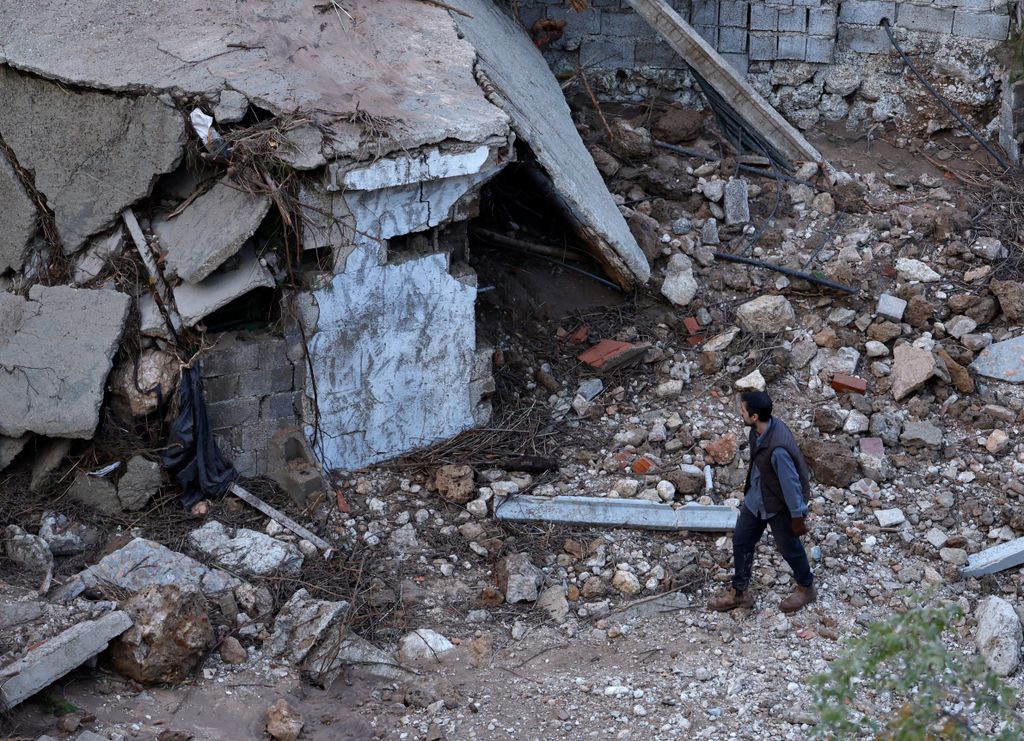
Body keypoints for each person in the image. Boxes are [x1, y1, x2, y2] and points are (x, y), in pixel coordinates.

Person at [708, 391, 816, 613]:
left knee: (789, 548)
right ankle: (740, 593)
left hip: (778, 505)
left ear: (755, 416)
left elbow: (791, 484)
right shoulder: (758, 432)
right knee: (741, 541)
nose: (741, 412)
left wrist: (797, 515)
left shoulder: (778, 450)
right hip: (756, 499)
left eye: (744, 410)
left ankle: (806, 588)